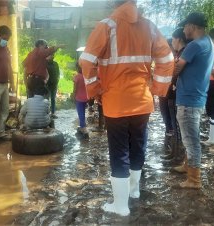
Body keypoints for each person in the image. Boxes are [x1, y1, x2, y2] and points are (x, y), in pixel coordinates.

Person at [80, 0, 174, 216]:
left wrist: (95, 90)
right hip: (142, 101)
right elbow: (167, 59)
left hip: (115, 103)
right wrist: (158, 88)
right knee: (138, 145)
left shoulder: (106, 26)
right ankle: (134, 192)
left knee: (119, 151)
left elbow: (86, 62)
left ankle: (121, 206)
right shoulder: (149, 26)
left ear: (115, 3)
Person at [172, 12, 214, 189]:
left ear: (193, 26)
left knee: (191, 140)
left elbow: (177, 68)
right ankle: (187, 166)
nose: (184, 30)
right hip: (196, 97)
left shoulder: (194, 45)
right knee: (191, 136)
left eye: (185, 26)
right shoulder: (209, 43)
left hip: (189, 99)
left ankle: (194, 180)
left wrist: (165, 78)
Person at [161, 28, 188, 167]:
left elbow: (176, 73)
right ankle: (174, 152)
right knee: (173, 123)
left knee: (177, 126)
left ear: (179, 39)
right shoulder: (178, 54)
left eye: (173, 39)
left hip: (176, 93)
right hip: (170, 93)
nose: (172, 42)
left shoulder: (183, 54)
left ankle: (178, 156)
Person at [73, 63, 89, 139]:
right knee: (83, 112)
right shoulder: (86, 76)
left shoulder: (76, 77)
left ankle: (84, 129)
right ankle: (83, 126)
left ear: (77, 68)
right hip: (86, 98)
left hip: (79, 98)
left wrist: (73, 95)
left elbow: (75, 89)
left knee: (80, 113)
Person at [46, 54, 60, 119]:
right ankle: (46, 113)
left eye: (52, 55)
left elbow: (58, 73)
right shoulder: (45, 64)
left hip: (54, 84)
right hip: (47, 84)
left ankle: (53, 113)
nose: (52, 56)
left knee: (53, 99)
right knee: (46, 99)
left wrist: (57, 80)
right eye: (50, 55)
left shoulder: (55, 64)